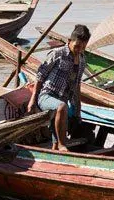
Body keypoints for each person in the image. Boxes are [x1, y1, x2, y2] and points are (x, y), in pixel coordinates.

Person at [33, 24, 90, 152]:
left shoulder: (81, 60)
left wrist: (78, 108)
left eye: (82, 48)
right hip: (46, 97)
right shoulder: (57, 54)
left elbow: (77, 86)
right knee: (62, 107)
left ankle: (56, 148)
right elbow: (40, 76)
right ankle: (62, 144)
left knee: (63, 108)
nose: (78, 50)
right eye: (76, 46)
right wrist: (33, 100)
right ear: (69, 41)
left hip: (62, 101)